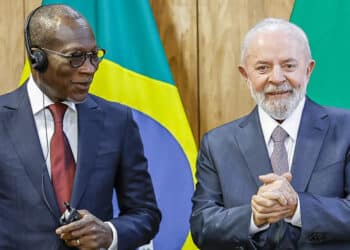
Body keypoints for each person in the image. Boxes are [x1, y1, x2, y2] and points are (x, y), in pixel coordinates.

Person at [0, 4, 161, 250]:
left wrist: (110, 233)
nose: (89, 69)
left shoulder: (117, 120)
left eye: (94, 56)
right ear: (37, 58)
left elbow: (146, 214)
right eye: (76, 57)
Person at [190, 17, 350, 249]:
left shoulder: (346, 129)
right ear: (245, 75)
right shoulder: (217, 144)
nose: (276, 78)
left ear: (308, 70)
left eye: (289, 66)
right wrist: (254, 217)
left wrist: (298, 207)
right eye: (263, 68)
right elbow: (202, 226)